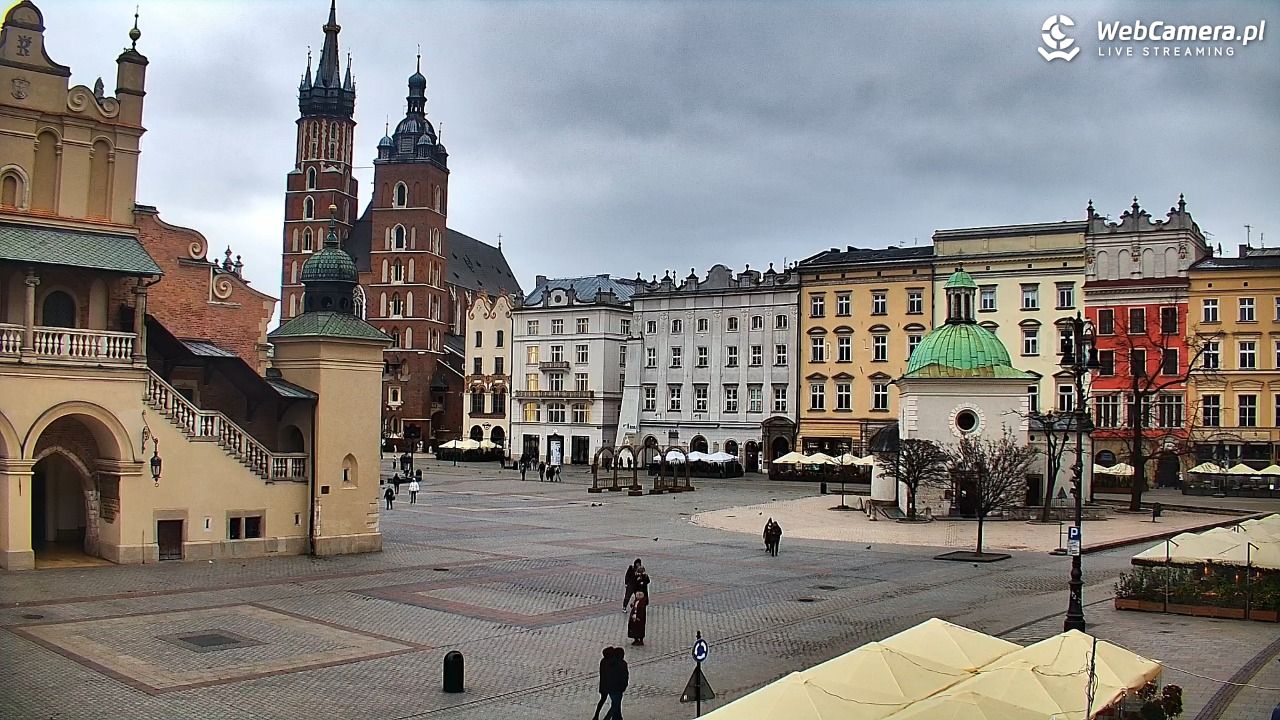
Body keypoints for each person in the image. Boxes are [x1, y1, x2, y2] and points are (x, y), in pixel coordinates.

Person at [601, 646, 628, 720]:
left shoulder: (607, 663)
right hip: (618, 688)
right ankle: (609, 718)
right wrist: (624, 686)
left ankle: (618, 717)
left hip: (610, 687)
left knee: (615, 703)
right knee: (615, 705)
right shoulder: (622, 664)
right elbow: (625, 676)